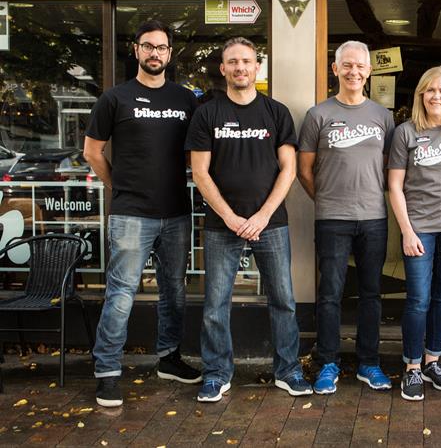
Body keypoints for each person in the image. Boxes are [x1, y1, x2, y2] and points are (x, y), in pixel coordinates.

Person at [186, 37, 311, 402]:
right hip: (221, 225)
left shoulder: (276, 112)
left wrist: (260, 216)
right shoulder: (206, 114)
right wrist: (230, 217)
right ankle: (216, 372)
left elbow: (288, 171)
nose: (240, 67)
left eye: (247, 61)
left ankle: (287, 371)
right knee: (215, 303)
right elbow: (200, 173)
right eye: (233, 62)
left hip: (270, 223)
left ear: (257, 68)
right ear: (223, 69)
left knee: (284, 300)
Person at [85, 20, 201, 408]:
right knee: (121, 294)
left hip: (176, 213)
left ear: (170, 54)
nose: (155, 53)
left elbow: (195, 154)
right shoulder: (115, 98)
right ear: (136, 50)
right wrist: (118, 188)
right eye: (148, 46)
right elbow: (92, 152)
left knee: (175, 291)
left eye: (162, 47)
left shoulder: (186, 100)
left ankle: (168, 358)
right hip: (131, 214)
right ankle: (107, 372)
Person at [298, 41, 395, 394]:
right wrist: (324, 199)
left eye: (361, 66)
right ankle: (328, 363)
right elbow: (304, 169)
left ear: (370, 71)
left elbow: (388, 167)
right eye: (347, 65)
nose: (354, 72)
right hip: (332, 219)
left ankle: (369, 363)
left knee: (371, 294)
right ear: (335, 69)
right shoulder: (318, 115)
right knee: (330, 293)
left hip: (373, 218)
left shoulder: (383, 116)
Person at [387, 66, 441, 401]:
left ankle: (432, 361)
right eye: (431, 90)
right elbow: (395, 186)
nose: (437, 96)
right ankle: (411, 368)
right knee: (418, 299)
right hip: (420, 227)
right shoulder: (406, 133)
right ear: (421, 95)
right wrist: (407, 231)